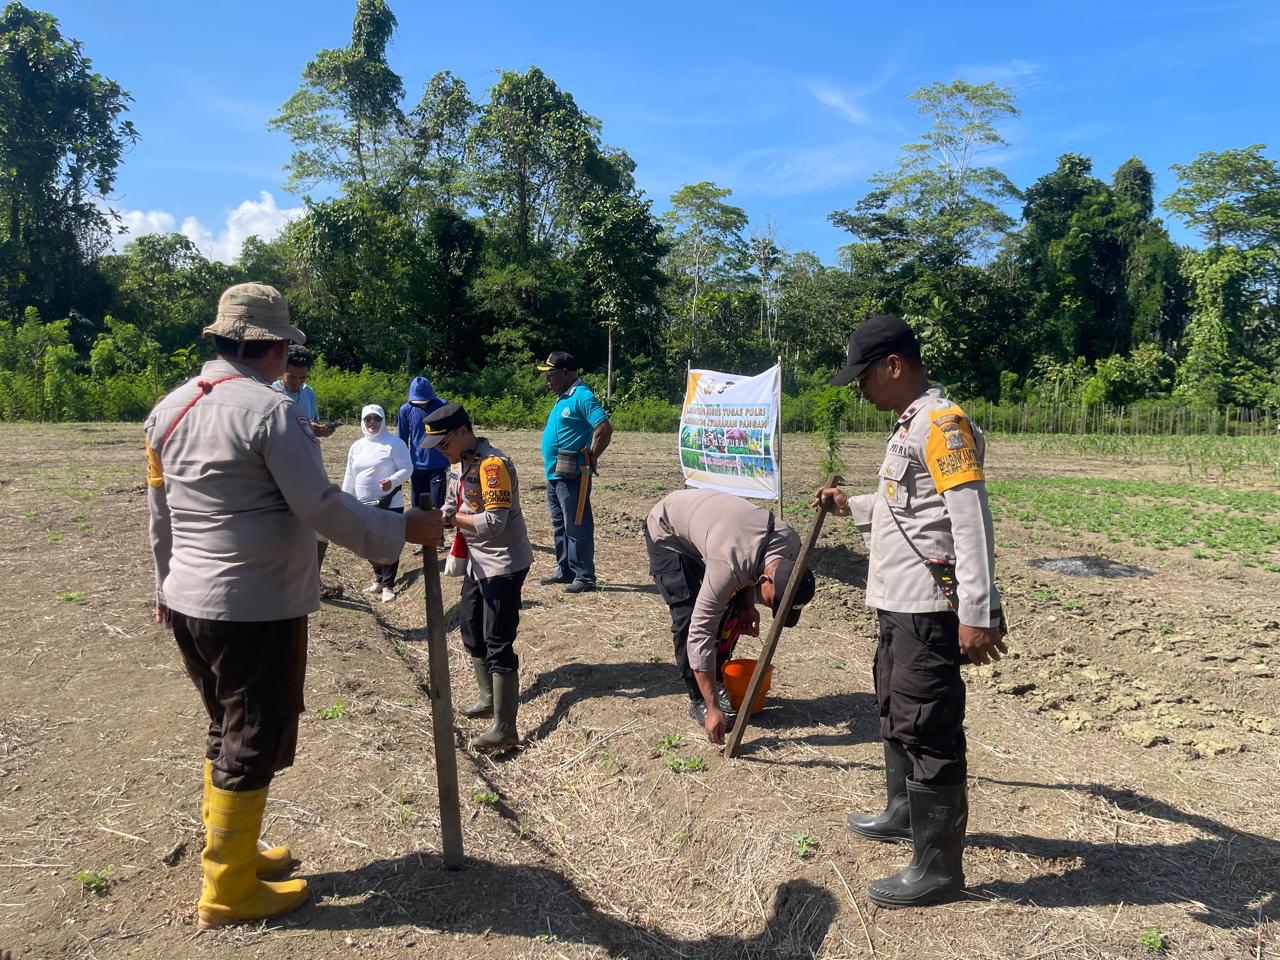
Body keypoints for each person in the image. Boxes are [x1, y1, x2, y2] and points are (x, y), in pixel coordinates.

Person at [145, 283, 443, 928]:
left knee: (225, 727)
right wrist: (404, 529)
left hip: (190, 597)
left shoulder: (167, 409)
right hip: (253, 602)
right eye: (289, 350)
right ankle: (228, 890)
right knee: (253, 733)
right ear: (274, 347)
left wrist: (163, 583)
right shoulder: (269, 412)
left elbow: (159, 512)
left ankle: (239, 853)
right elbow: (322, 508)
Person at [813, 313, 1006, 909]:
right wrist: (855, 505)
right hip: (896, 601)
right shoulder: (910, 424)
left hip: (928, 606)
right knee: (895, 705)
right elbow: (909, 503)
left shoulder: (943, 426)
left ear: (894, 366)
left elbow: (970, 520)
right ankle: (902, 810)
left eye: (865, 377)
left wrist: (976, 610)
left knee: (927, 725)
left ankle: (938, 867)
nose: (861, 388)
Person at [644, 489, 816, 745]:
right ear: (765, 580)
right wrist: (714, 707)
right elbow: (700, 633)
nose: (772, 609)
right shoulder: (728, 565)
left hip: (719, 533)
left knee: (732, 610)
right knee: (690, 616)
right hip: (668, 529)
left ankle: (719, 679)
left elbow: (755, 561)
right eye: (773, 602)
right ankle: (700, 699)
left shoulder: (790, 544)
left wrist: (747, 604)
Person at [421, 402, 534, 752]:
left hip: (503, 563)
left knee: (498, 639)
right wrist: (438, 515)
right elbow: (454, 505)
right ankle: (488, 697)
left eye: (443, 444)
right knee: (471, 626)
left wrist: (451, 522)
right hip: (477, 561)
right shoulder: (459, 463)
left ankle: (505, 727)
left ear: (462, 433)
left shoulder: (492, 466)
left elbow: (494, 524)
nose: (441, 452)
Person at [537, 351, 611, 594]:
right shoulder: (563, 397)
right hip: (555, 474)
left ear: (566, 373)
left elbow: (603, 427)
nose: (547, 379)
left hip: (572, 473)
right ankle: (565, 570)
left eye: (551, 374)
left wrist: (592, 456)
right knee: (560, 523)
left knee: (576, 523)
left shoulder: (582, 396)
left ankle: (585, 576)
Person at [273, 345, 338, 595]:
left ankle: (312, 579)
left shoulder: (307, 392)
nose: (297, 383)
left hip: (310, 463)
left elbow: (309, 425)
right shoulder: (269, 393)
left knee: (322, 522)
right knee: (286, 525)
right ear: (281, 371)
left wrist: (319, 429)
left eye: (303, 377)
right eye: (292, 377)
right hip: (281, 468)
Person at [342, 404, 413, 603]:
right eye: (368, 419)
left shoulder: (394, 443)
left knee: (388, 542)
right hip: (363, 503)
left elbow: (407, 468)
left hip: (389, 503)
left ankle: (389, 585)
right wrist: (345, 499)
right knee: (369, 542)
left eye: (376, 419)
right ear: (362, 421)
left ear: (383, 421)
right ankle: (379, 579)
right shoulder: (357, 446)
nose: (372, 423)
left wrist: (393, 481)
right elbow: (350, 474)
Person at [396, 375, 449, 510]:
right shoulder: (405, 410)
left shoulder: (442, 406)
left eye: (425, 401)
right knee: (418, 509)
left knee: (437, 508)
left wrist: (451, 460)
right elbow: (402, 439)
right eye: (418, 401)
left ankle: (437, 532)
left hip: (438, 464)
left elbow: (450, 435)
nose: (422, 404)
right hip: (417, 466)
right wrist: (401, 466)